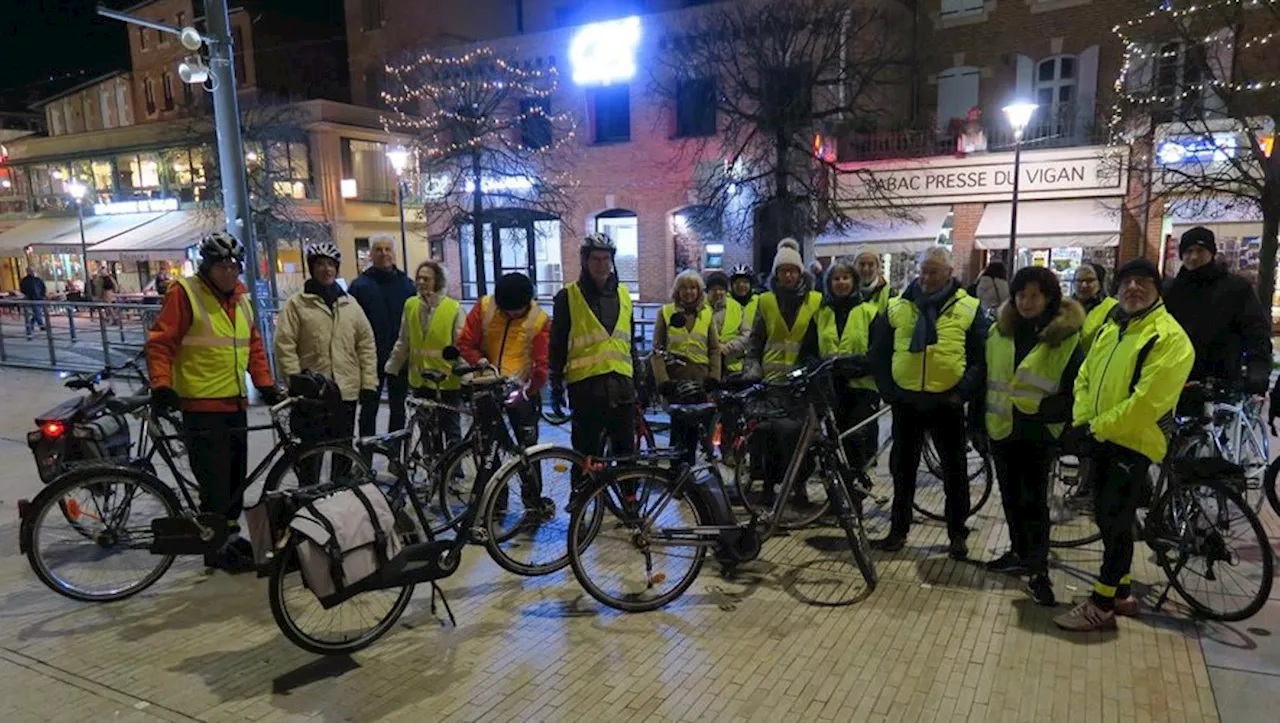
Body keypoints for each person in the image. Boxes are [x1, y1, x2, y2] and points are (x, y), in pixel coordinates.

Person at [1055, 258, 1193, 631]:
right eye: (1127, 281)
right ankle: (1122, 591)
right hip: (1101, 435)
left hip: (1132, 441)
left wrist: (1095, 428)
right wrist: (1085, 421)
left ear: (1157, 289)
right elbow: (1086, 375)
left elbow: (1147, 402)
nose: (1133, 287)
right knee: (1109, 516)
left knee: (1114, 521)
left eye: (1143, 282)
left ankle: (1101, 605)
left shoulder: (1167, 336)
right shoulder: (1113, 327)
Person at [146, 231, 277, 572]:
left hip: (235, 404)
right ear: (207, 266)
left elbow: (254, 346)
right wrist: (161, 385)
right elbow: (161, 343)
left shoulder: (241, 299)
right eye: (221, 266)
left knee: (235, 482)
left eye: (233, 266)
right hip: (201, 406)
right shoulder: (186, 293)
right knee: (215, 486)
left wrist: (266, 385)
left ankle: (229, 539)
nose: (228, 272)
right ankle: (216, 550)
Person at [870, 246, 987, 559]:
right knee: (902, 470)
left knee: (954, 472)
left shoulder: (969, 307)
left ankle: (957, 534)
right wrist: (890, 391)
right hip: (907, 400)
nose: (926, 277)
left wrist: (960, 394)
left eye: (934, 271)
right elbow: (878, 353)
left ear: (949, 274)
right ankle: (898, 530)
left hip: (946, 401)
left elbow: (980, 359)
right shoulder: (897, 306)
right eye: (923, 270)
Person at [983, 266, 1085, 607]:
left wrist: (1046, 414)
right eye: (1021, 295)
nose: (1027, 302)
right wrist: (976, 422)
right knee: (1011, 500)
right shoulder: (1001, 332)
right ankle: (1018, 552)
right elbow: (988, 377)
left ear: (1049, 298)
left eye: (1034, 296)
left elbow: (1076, 389)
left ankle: (1039, 569)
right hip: (1002, 429)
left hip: (1039, 433)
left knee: (1034, 503)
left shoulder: (1065, 337)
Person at [274, 243, 378, 470]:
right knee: (310, 456)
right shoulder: (297, 305)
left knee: (342, 454)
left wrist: (369, 383)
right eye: (320, 264)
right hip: (313, 393)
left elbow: (366, 345)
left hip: (345, 392)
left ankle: (338, 498)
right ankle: (310, 501)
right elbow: (284, 344)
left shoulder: (350, 305)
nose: (326, 269)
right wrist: (294, 380)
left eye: (331, 265)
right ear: (312, 268)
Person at [457, 272, 550, 516]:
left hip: (521, 392)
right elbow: (465, 342)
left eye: (517, 312)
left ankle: (532, 502)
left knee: (528, 450)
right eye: (507, 310)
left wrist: (530, 391)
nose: (511, 315)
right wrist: (480, 362)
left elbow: (542, 364)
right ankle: (496, 499)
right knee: (488, 447)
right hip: (486, 386)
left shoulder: (539, 320)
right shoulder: (485, 308)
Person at [549, 232, 636, 462]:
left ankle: (627, 499)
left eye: (606, 259)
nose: (601, 265)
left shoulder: (624, 295)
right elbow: (557, 345)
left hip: (622, 391)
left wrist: (642, 384)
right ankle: (584, 498)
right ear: (585, 261)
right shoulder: (568, 297)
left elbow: (630, 345)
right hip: (587, 394)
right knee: (586, 462)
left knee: (627, 460)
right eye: (595, 259)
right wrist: (556, 385)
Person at [748, 238, 822, 506]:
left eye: (792, 270)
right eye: (783, 271)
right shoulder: (765, 301)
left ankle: (799, 486)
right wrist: (752, 368)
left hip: (802, 384)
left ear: (800, 272)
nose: (788, 275)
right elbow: (756, 340)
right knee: (769, 438)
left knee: (803, 440)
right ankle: (769, 485)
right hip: (772, 383)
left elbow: (818, 339)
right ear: (776, 274)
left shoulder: (816, 300)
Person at [1163, 226, 1272, 393]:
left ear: (1211, 253)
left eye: (1200, 250)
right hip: (1176, 381)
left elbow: (1256, 331)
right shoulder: (1170, 290)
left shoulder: (1236, 288)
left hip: (1221, 383)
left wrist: (1258, 368)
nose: (1193, 257)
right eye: (1188, 251)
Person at [385, 260, 465, 447]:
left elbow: (461, 344)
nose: (421, 282)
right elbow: (404, 340)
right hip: (420, 379)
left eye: (426, 279)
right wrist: (393, 366)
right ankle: (433, 468)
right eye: (419, 278)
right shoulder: (411, 305)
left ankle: (454, 469)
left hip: (447, 380)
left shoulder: (453, 308)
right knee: (426, 429)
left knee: (451, 428)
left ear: (437, 281)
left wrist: (466, 374)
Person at [347, 233, 416, 439]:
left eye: (387, 249)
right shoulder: (359, 286)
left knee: (398, 409)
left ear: (394, 253)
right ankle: (364, 459)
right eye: (378, 249)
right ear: (371, 254)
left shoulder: (407, 284)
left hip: (399, 357)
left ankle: (395, 455)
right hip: (370, 359)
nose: (383, 254)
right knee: (369, 409)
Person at [816, 258, 880, 471]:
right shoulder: (821, 314)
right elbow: (810, 349)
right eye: (836, 278)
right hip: (832, 389)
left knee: (856, 442)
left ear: (854, 281)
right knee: (836, 443)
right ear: (829, 283)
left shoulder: (869, 312)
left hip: (862, 388)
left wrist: (851, 366)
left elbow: (878, 353)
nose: (841, 282)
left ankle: (857, 492)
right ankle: (841, 490)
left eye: (845, 277)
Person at [653, 270, 721, 464]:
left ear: (699, 290)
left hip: (700, 380)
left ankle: (688, 476)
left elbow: (714, 349)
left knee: (695, 432)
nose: (688, 292)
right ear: (677, 290)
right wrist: (663, 382)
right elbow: (657, 350)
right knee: (678, 431)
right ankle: (675, 475)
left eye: (693, 287)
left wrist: (713, 377)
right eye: (684, 287)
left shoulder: (707, 314)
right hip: (675, 381)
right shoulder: (665, 313)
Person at [705, 271, 747, 377]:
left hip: (732, 368)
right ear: (708, 291)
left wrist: (728, 347)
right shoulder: (700, 308)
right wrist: (715, 347)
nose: (718, 292)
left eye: (721, 289)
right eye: (714, 289)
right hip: (706, 366)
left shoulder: (736, 307)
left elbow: (747, 334)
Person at [1073, 262, 1115, 354]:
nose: (1083, 285)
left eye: (1090, 280)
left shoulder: (1113, 307)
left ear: (1100, 282)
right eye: (1079, 280)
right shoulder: (1066, 307)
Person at [20, 267, 46, 340]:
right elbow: (23, 289)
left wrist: (42, 295)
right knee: (37, 312)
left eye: (32, 270)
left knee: (38, 312)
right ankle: (41, 325)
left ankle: (31, 324)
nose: (32, 272)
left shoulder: (37, 279)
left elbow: (43, 287)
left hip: (38, 298)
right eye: (30, 271)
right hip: (32, 298)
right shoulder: (25, 280)